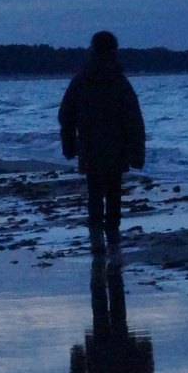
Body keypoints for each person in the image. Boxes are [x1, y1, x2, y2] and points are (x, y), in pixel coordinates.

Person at [58, 31, 146, 249]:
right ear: (114, 51)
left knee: (95, 192)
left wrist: (69, 145)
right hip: (117, 147)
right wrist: (137, 153)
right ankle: (113, 235)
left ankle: (97, 236)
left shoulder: (81, 80)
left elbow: (65, 115)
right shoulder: (119, 81)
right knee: (114, 191)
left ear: (93, 49)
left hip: (90, 147)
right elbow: (134, 119)